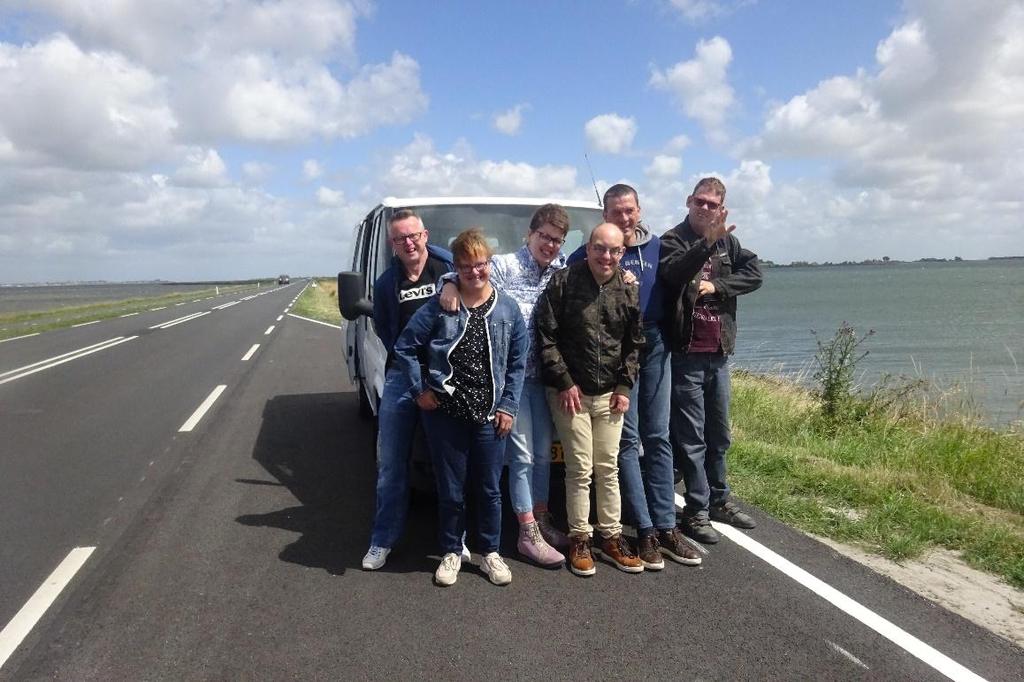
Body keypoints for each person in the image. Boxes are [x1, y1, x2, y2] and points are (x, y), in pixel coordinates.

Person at [568, 185, 703, 569]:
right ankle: (644, 530)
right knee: (627, 439)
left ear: (639, 211)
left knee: (658, 436)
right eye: (615, 212)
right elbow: (560, 282)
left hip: (655, 344)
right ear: (604, 214)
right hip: (614, 347)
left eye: (629, 211)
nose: (623, 219)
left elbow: (684, 276)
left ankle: (666, 527)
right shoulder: (591, 251)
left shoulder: (658, 247)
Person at [394, 228, 528, 586]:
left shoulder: (508, 308)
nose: (474, 272)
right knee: (451, 490)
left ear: (489, 264)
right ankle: (452, 551)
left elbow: (517, 362)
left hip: (490, 416)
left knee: (488, 489)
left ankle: (490, 553)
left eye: (480, 264)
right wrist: (421, 388)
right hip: (446, 416)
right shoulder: (440, 306)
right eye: (466, 267)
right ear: (456, 268)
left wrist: (509, 406)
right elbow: (405, 347)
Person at [439, 205, 570, 566]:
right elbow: (466, 274)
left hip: (544, 378)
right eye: (544, 236)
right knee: (523, 457)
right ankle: (527, 534)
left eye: (557, 240)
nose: (550, 245)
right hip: (509, 380)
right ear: (530, 234)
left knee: (543, 455)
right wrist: (448, 283)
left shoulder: (560, 271)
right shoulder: (506, 266)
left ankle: (542, 521)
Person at [535, 223, 645, 576]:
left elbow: (633, 345)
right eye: (600, 248)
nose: (606, 256)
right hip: (571, 394)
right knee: (580, 468)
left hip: (611, 395)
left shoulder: (628, 290)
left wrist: (625, 388)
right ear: (589, 247)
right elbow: (546, 336)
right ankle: (580, 538)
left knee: (607, 468)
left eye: (614, 251)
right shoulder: (564, 282)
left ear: (621, 253)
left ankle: (611, 537)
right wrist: (564, 382)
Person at [659, 177, 763, 544]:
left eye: (712, 204)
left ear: (722, 209)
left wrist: (718, 286)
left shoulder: (729, 244)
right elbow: (672, 275)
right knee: (691, 439)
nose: (705, 209)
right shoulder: (672, 239)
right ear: (689, 202)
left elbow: (754, 274)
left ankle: (720, 500)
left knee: (719, 435)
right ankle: (696, 510)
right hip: (685, 355)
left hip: (718, 354)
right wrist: (705, 244)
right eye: (699, 202)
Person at [361, 209, 456, 571]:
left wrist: (449, 281)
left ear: (426, 235)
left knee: (450, 464)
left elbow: (470, 283)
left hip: (445, 374)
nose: (409, 243)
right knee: (390, 464)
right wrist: (413, 370)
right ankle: (381, 541)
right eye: (400, 238)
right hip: (402, 376)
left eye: (413, 235)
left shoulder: (446, 266)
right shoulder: (387, 283)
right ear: (392, 244)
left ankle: (455, 540)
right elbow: (387, 331)